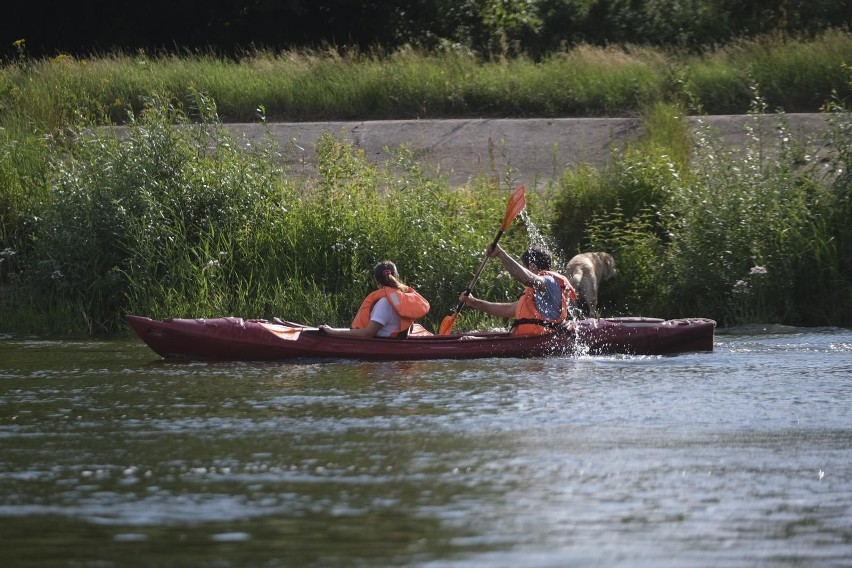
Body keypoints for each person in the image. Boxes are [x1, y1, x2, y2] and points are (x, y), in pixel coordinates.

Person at [459, 245, 576, 335]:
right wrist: (473, 302)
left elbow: (526, 279)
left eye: (524, 267)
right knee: (475, 335)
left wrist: (501, 253)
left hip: (541, 341)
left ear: (532, 267)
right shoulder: (535, 294)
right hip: (528, 340)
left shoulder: (548, 281)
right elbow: (508, 309)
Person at [318, 260, 431, 338]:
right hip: (395, 350)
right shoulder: (400, 299)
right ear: (397, 278)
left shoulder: (385, 303)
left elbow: (368, 334)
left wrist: (332, 332)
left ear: (377, 282)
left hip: (385, 364)